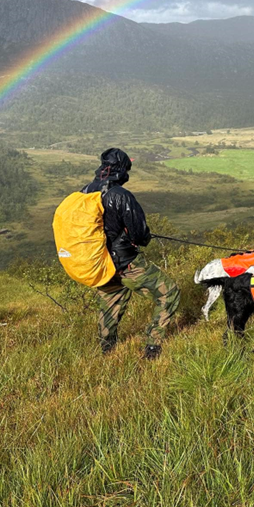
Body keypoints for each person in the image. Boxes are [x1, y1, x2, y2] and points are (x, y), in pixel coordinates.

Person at [82, 148, 180, 359]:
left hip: (101, 263)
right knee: (169, 292)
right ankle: (153, 347)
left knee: (109, 306)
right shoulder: (121, 196)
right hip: (126, 263)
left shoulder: (85, 191)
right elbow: (139, 234)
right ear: (122, 170)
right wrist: (143, 238)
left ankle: (107, 350)